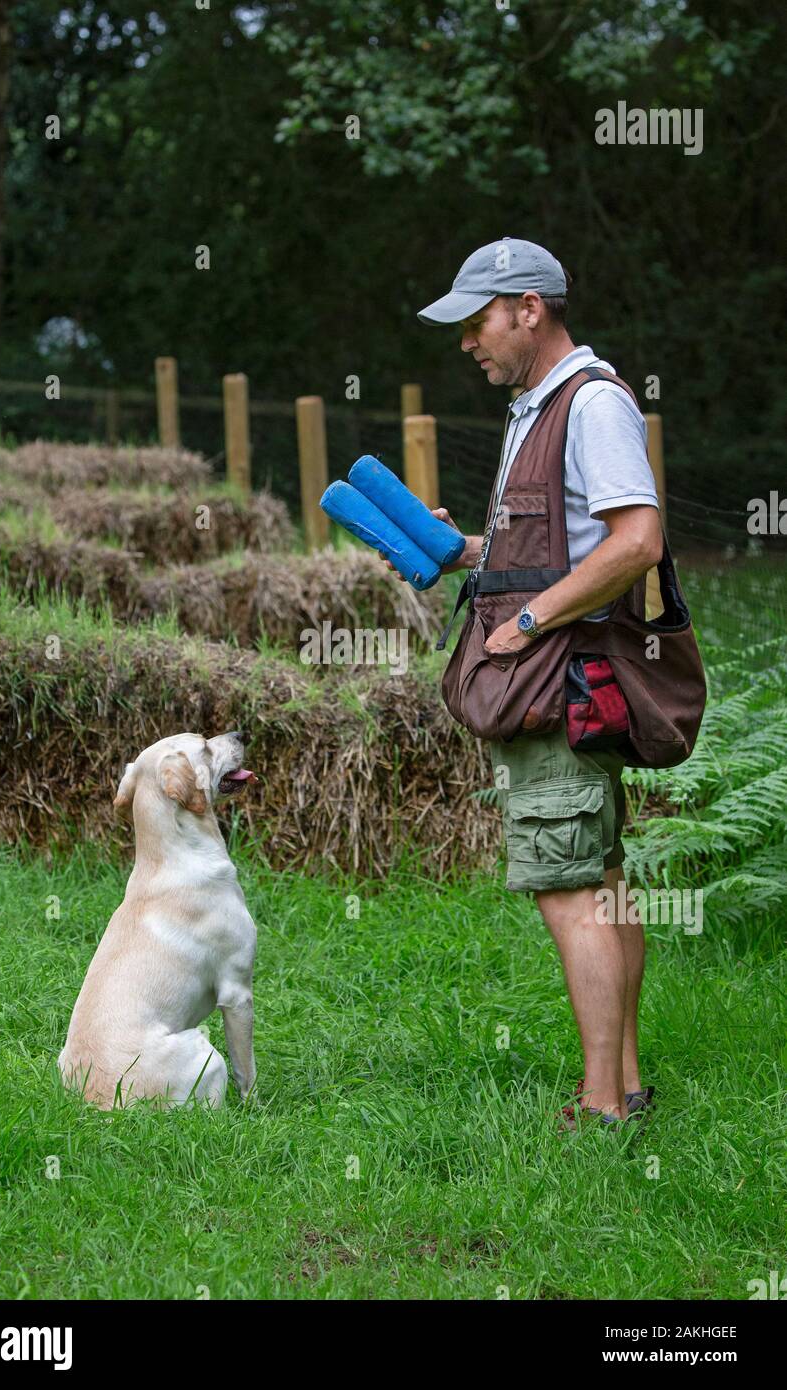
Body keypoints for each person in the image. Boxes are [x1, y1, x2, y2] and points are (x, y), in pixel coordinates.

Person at [413, 238, 663, 1127]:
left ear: (528, 307)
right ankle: (626, 1082)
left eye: (478, 322)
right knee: (601, 878)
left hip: (557, 681)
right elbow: (561, 549)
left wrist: (524, 623)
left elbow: (637, 540)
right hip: (558, 672)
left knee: (569, 888)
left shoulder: (591, 405)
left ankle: (600, 1108)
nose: (468, 342)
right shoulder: (536, 406)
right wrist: (470, 554)